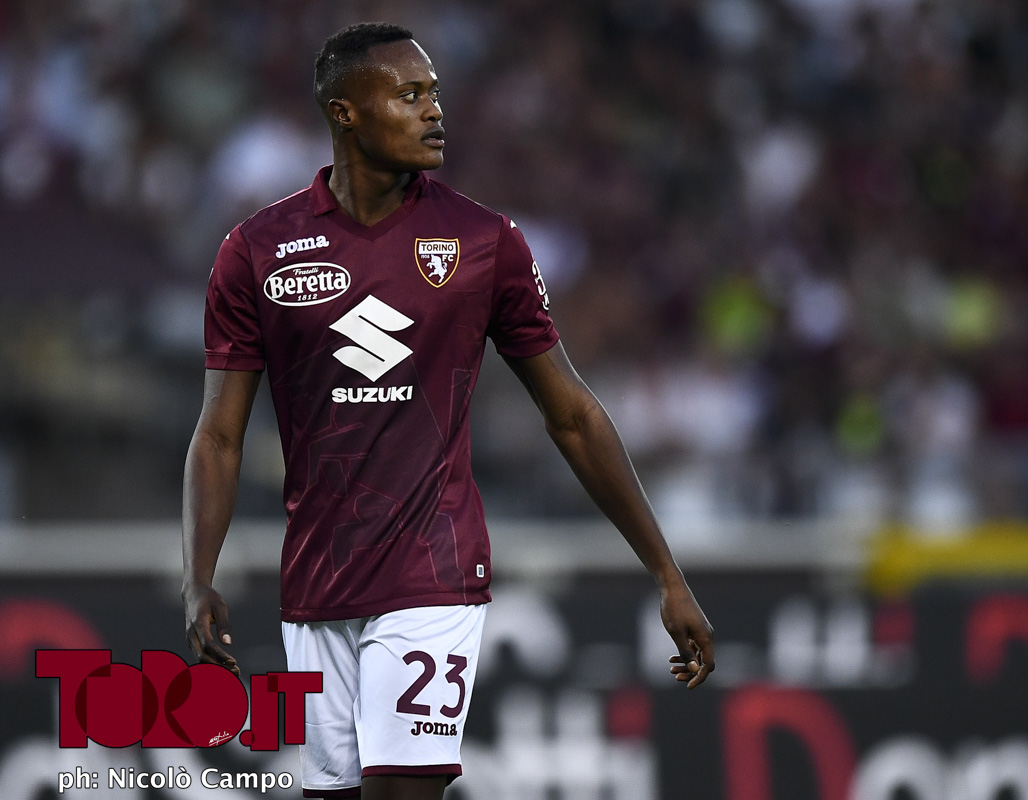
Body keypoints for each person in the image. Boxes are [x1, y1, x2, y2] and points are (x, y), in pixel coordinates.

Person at [182, 21, 715, 800]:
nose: (434, 110)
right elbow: (220, 435)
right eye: (408, 95)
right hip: (316, 587)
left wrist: (666, 573)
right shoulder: (257, 250)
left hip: (433, 574)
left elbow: (571, 414)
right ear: (345, 112)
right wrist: (197, 576)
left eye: (433, 93)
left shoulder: (483, 241)